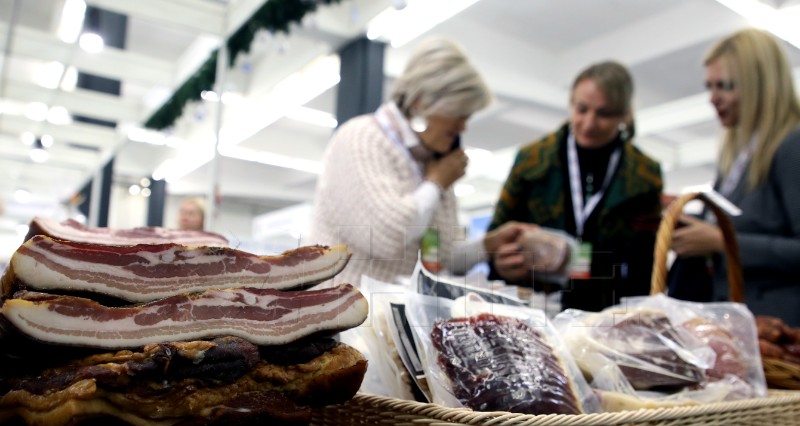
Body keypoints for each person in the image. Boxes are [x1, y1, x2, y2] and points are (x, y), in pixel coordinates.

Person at [308, 37, 530, 287]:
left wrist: (488, 245)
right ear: (421, 101)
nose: (463, 126)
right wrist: (435, 184)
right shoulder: (361, 139)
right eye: (459, 114)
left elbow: (441, 256)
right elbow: (388, 236)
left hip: (390, 317)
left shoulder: (431, 161)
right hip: (340, 315)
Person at [486, 61, 664, 312]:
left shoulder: (644, 176)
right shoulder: (532, 160)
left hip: (605, 312)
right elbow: (497, 233)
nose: (589, 123)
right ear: (571, 104)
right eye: (581, 109)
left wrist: (637, 316)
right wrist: (500, 262)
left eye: (604, 114)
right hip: (535, 305)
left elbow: (646, 261)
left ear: (625, 114)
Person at [669, 28, 800, 326]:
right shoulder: (737, 157)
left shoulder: (792, 147)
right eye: (709, 87)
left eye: (725, 86)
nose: (713, 98)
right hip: (737, 325)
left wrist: (720, 241)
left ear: (760, 85)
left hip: (779, 335)